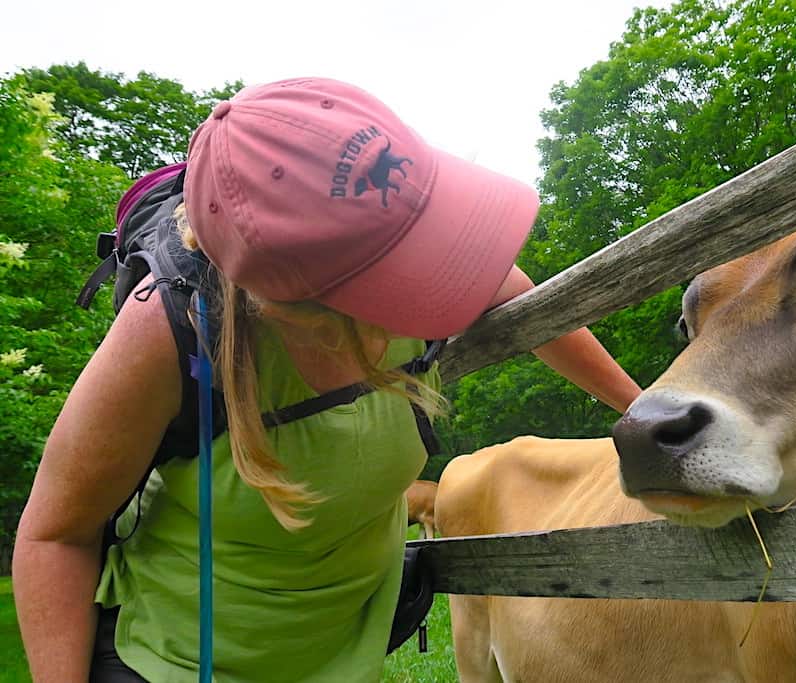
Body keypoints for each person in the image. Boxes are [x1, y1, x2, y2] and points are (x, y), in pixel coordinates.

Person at [13, 77, 642, 683]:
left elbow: (532, 309)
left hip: (345, 658)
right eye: (398, 260)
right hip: (181, 664)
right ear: (292, 306)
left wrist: (644, 414)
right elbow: (54, 536)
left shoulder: (426, 257)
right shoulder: (169, 331)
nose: (437, 267)